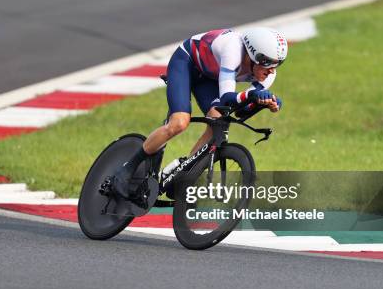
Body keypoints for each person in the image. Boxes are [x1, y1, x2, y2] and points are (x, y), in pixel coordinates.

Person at [112, 26, 288, 199]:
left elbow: (239, 112)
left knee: (219, 120)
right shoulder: (232, 49)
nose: (272, 69)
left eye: (278, 63)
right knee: (179, 122)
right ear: (252, 55)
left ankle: (183, 173)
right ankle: (126, 169)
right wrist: (252, 95)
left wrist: (261, 104)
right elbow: (227, 97)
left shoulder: (268, 74)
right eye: (267, 62)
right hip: (187, 63)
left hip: (210, 77)